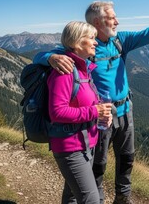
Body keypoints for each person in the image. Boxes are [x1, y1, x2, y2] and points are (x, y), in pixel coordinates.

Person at [34, 0, 149, 204]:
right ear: (98, 21)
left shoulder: (120, 41)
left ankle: (123, 198)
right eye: (112, 17)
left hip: (126, 109)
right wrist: (50, 58)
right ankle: (97, 198)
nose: (117, 21)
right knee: (98, 162)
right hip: (101, 115)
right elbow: (41, 55)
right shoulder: (84, 46)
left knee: (127, 157)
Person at [47, 21, 112, 204]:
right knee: (90, 199)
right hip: (70, 146)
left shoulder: (84, 70)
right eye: (91, 38)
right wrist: (94, 111)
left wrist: (101, 115)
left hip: (86, 143)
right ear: (76, 42)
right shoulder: (65, 72)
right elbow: (57, 112)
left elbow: (84, 102)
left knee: (72, 197)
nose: (96, 42)